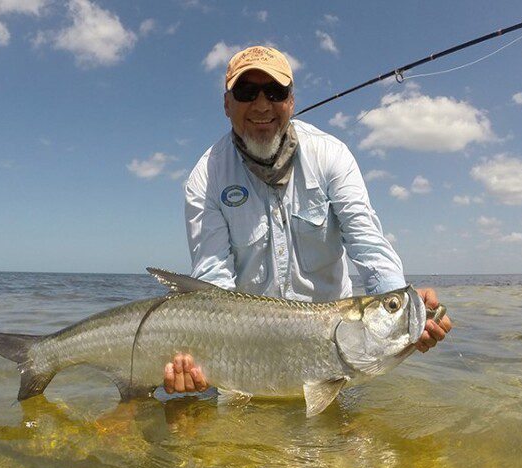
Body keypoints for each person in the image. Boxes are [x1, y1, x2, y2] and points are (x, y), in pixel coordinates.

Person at [163, 46, 451, 395]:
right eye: (246, 92)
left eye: (275, 92)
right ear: (227, 105)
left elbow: (368, 245)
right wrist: (204, 357)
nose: (261, 105)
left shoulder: (331, 155)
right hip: (245, 361)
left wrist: (398, 308)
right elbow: (213, 282)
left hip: (334, 357)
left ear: (291, 101)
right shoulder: (205, 178)